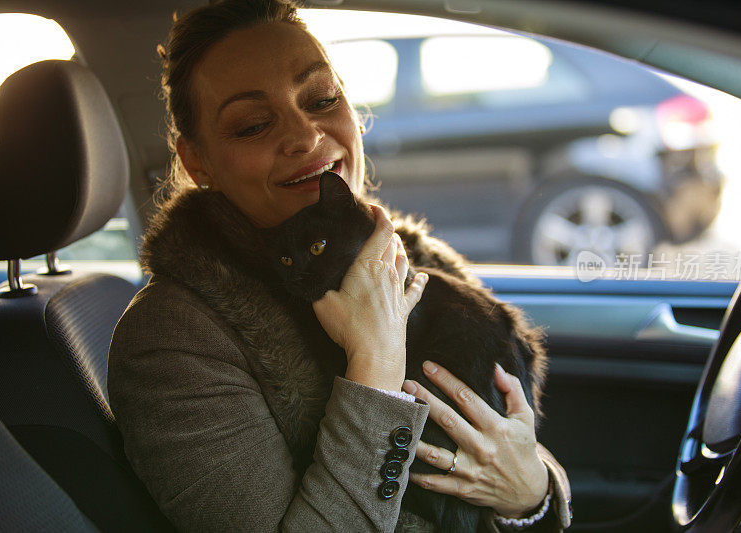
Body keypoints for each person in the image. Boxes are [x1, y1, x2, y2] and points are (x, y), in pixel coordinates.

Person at [107, 0, 572, 531]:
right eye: (253, 125)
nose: (305, 136)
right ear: (199, 162)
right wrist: (376, 359)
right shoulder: (174, 340)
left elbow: (518, 449)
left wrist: (529, 494)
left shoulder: (414, 256)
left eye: (322, 98)